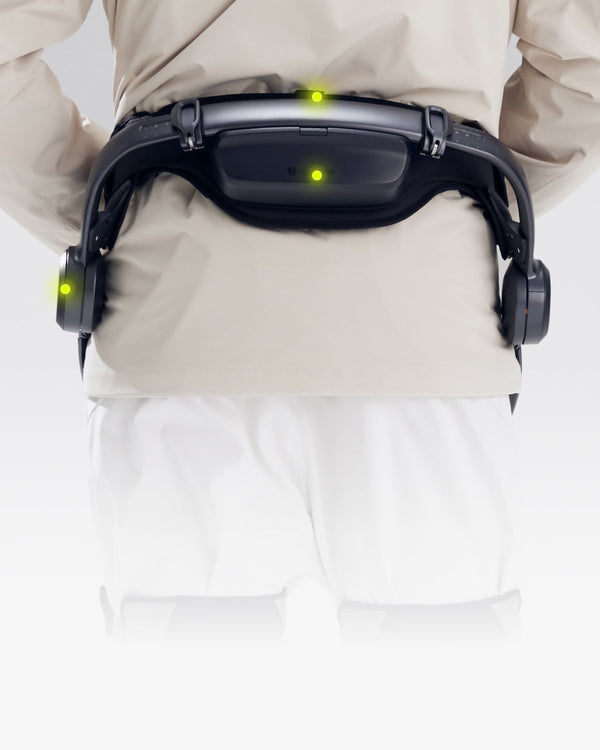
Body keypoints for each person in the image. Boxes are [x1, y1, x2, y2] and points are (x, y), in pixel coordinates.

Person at [1, 0, 599, 648]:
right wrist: (470, 203)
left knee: (186, 685)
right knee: (440, 675)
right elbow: (587, 68)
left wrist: (121, 211)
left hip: (186, 331)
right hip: (425, 342)